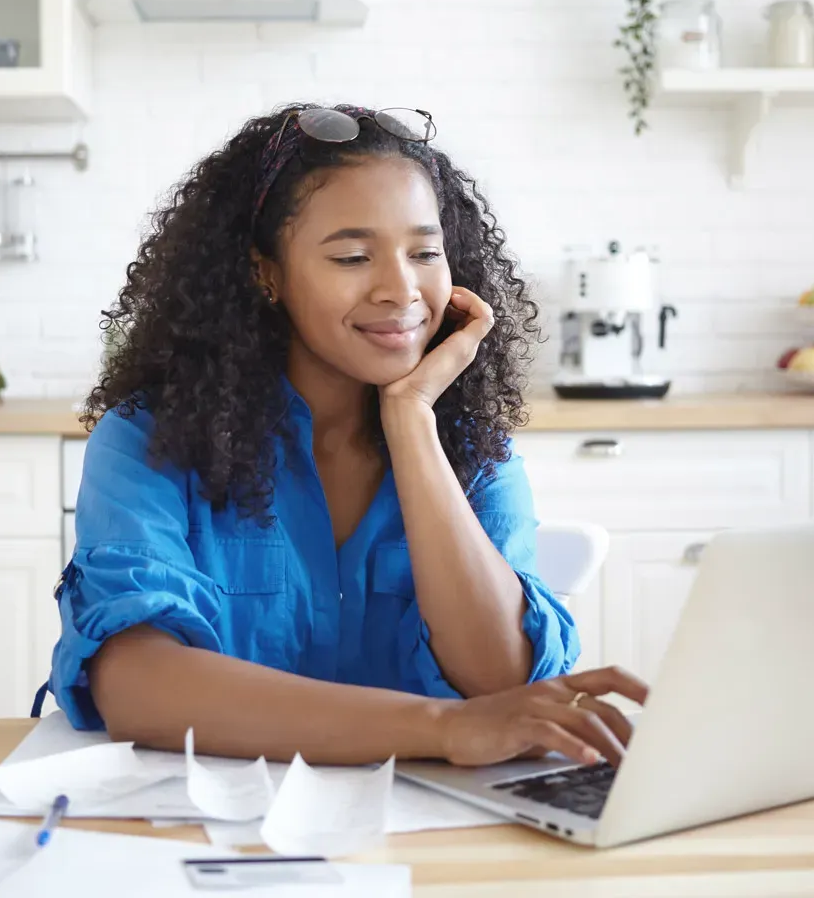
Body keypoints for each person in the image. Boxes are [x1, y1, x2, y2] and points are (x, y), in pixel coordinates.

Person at [46, 103, 647, 768]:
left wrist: (412, 419)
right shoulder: (148, 441)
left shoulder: (474, 451)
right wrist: (443, 728)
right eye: (354, 256)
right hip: (208, 827)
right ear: (265, 273)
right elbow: (139, 687)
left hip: (434, 834)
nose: (401, 289)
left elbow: (502, 682)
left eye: (424, 252)